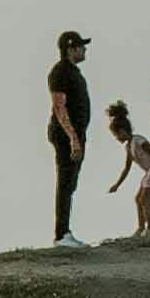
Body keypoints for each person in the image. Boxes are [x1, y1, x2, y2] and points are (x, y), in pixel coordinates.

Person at [45, 29, 92, 247]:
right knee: (65, 182)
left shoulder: (73, 72)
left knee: (70, 183)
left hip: (76, 133)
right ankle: (61, 235)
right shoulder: (60, 71)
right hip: (66, 134)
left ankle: (65, 232)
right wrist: (72, 137)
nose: (84, 49)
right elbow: (59, 107)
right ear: (71, 48)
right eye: (81, 46)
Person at [114, 113, 150, 237]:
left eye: (116, 134)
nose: (116, 137)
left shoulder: (138, 140)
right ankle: (141, 228)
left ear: (123, 131)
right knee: (138, 199)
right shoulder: (128, 147)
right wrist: (117, 185)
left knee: (144, 199)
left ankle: (149, 230)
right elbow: (126, 169)